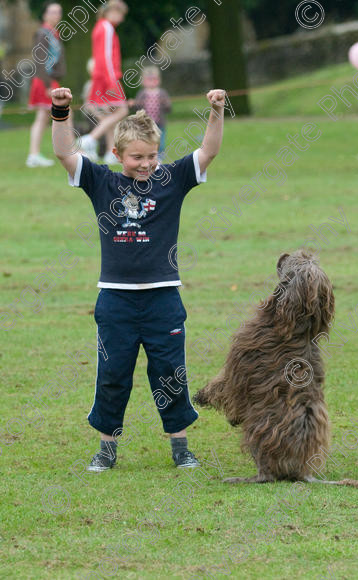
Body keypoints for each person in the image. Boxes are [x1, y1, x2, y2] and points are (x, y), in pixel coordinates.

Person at [51, 85, 225, 472]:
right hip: (116, 299)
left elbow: (208, 151)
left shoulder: (173, 179)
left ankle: (180, 446)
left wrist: (216, 112)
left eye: (151, 156)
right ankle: (106, 447)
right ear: (117, 155)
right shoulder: (102, 182)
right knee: (113, 374)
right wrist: (60, 112)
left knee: (169, 373)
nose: (146, 164)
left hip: (163, 297)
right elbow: (64, 152)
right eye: (137, 158)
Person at [81, 0, 129, 165]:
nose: (122, 19)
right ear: (113, 11)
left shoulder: (99, 26)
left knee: (109, 113)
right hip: (108, 76)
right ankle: (90, 139)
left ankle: (110, 152)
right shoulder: (107, 28)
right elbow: (106, 56)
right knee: (122, 110)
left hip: (100, 76)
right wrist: (112, 80)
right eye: (121, 14)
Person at [26, 2, 65, 168]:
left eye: (58, 12)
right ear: (44, 15)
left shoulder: (53, 33)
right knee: (44, 117)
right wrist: (48, 84)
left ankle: (34, 154)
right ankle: (34, 154)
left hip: (49, 80)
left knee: (43, 118)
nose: (56, 15)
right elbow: (39, 61)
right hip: (44, 80)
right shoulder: (42, 33)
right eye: (52, 12)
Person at [128, 66, 172, 159]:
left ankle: (159, 156)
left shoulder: (162, 93)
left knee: (160, 140)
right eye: (149, 80)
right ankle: (147, 154)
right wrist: (133, 104)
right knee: (146, 139)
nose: (152, 82)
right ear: (143, 81)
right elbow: (137, 107)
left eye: (154, 79)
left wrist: (165, 103)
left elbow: (169, 108)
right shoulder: (142, 93)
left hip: (160, 123)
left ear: (159, 80)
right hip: (145, 123)